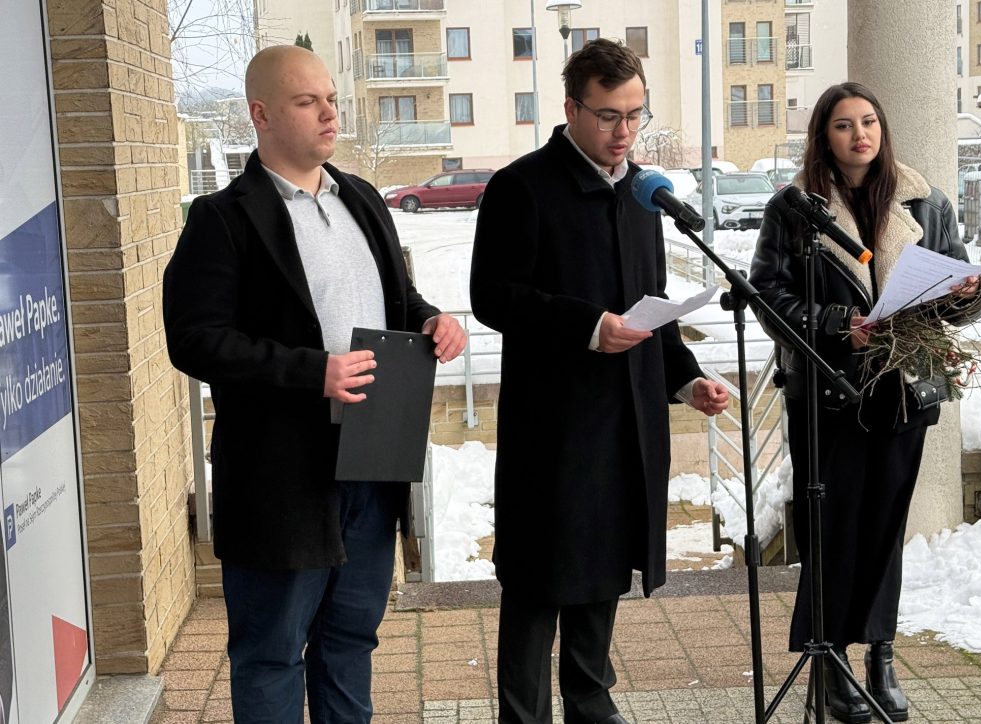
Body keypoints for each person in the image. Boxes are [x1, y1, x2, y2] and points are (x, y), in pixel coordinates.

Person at [162, 45, 466, 724]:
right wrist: (313, 372)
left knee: (350, 642)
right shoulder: (222, 218)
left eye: (330, 98)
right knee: (271, 654)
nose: (330, 113)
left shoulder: (362, 197)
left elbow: (397, 298)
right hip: (280, 478)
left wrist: (430, 320)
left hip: (371, 462)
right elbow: (195, 340)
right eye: (308, 102)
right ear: (262, 115)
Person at [470, 39, 729, 724]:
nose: (624, 132)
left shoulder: (644, 194)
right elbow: (492, 296)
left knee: (606, 560)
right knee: (539, 577)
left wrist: (687, 381)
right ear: (571, 109)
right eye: (609, 116)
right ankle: (523, 715)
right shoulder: (522, 187)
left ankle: (590, 700)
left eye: (636, 115)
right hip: (553, 423)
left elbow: (653, 305)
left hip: (628, 419)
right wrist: (588, 326)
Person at [749, 82, 981, 724]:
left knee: (884, 530)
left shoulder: (926, 201)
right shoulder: (794, 209)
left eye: (870, 121)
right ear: (823, 137)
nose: (861, 135)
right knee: (831, 530)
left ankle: (881, 655)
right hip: (828, 393)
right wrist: (833, 323)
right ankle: (829, 661)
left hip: (902, 389)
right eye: (845, 125)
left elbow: (960, 294)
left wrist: (966, 293)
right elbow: (767, 296)